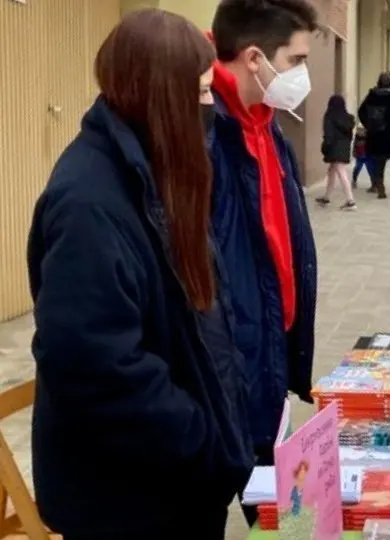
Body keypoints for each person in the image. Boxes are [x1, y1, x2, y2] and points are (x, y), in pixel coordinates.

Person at [28, 10, 253, 538]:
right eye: (200, 93)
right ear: (163, 96)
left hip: (178, 486)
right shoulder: (89, 204)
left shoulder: (156, 169)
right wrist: (199, 438)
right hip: (132, 502)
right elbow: (95, 365)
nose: (210, 107)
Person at [207, 2, 319, 526]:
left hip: (268, 365)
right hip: (224, 380)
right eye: (295, 59)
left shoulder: (268, 128)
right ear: (255, 58)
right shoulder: (204, 134)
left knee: (280, 523)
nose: (302, 75)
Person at [315, 94, 357, 210]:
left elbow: (328, 134)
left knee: (341, 172)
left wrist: (325, 148)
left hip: (333, 148)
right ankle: (326, 197)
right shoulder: (349, 118)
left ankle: (350, 201)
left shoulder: (329, 116)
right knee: (332, 171)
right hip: (344, 148)